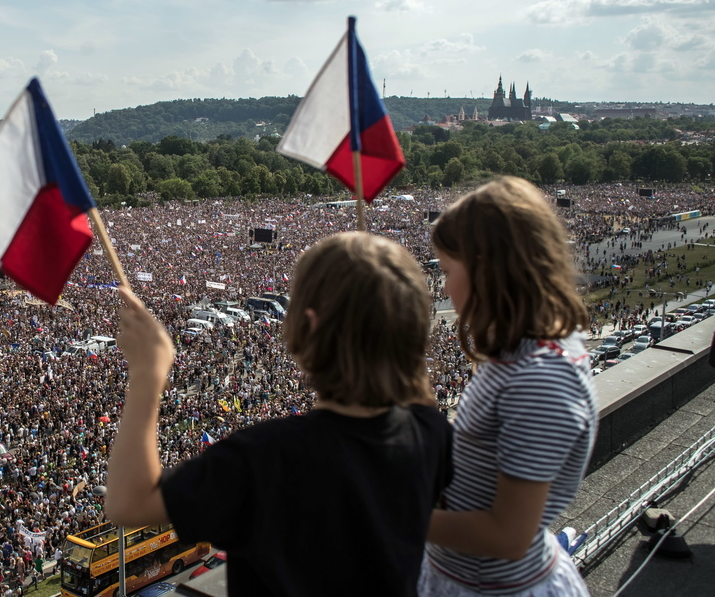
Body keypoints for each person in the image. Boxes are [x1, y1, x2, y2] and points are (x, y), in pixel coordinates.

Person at [106, 232, 452, 596]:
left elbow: (129, 503)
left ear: (308, 327)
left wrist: (147, 374)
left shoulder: (265, 456)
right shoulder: (432, 432)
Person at [420, 177, 598, 596]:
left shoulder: (541, 378)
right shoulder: (527, 353)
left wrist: (389, 514)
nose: (443, 287)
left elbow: (508, 535)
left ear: (488, 266)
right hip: (470, 577)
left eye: (447, 271)